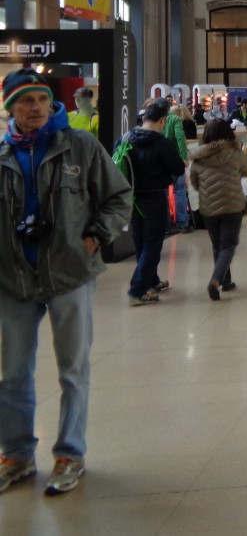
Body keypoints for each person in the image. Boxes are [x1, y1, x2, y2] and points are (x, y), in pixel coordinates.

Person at [0, 69, 131, 496]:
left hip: (70, 274)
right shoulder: (2, 154)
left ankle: (69, 453)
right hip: (13, 277)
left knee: (73, 370)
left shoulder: (81, 145)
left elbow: (118, 197)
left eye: (40, 99)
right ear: (10, 108)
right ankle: (16, 454)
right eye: (25, 101)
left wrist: (94, 238)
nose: (34, 108)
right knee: (12, 372)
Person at [120, 98, 186, 305]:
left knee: (140, 240)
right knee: (153, 242)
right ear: (162, 121)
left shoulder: (126, 137)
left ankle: (151, 280)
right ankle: (137, 289)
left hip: (132, 196)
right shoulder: (160, 143)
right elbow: (178, 168)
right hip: (155, 196)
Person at [189, 118, 247, 301]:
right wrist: (245, 154)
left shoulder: (198, 156)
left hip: (208, 208)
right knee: (228, 246)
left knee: (217, 245)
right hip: (233, 205)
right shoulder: (235, 153)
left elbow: (194, 182)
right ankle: (216, 281)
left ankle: (226, 281)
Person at [162, 101, 191, 234]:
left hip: (160, 161)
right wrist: (184, 157)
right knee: (179, 191)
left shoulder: (155, 120)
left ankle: (166, 225)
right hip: (175, 159)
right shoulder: (175, 119)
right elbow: (180, 137)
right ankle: (182, 223)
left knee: (163, 193)